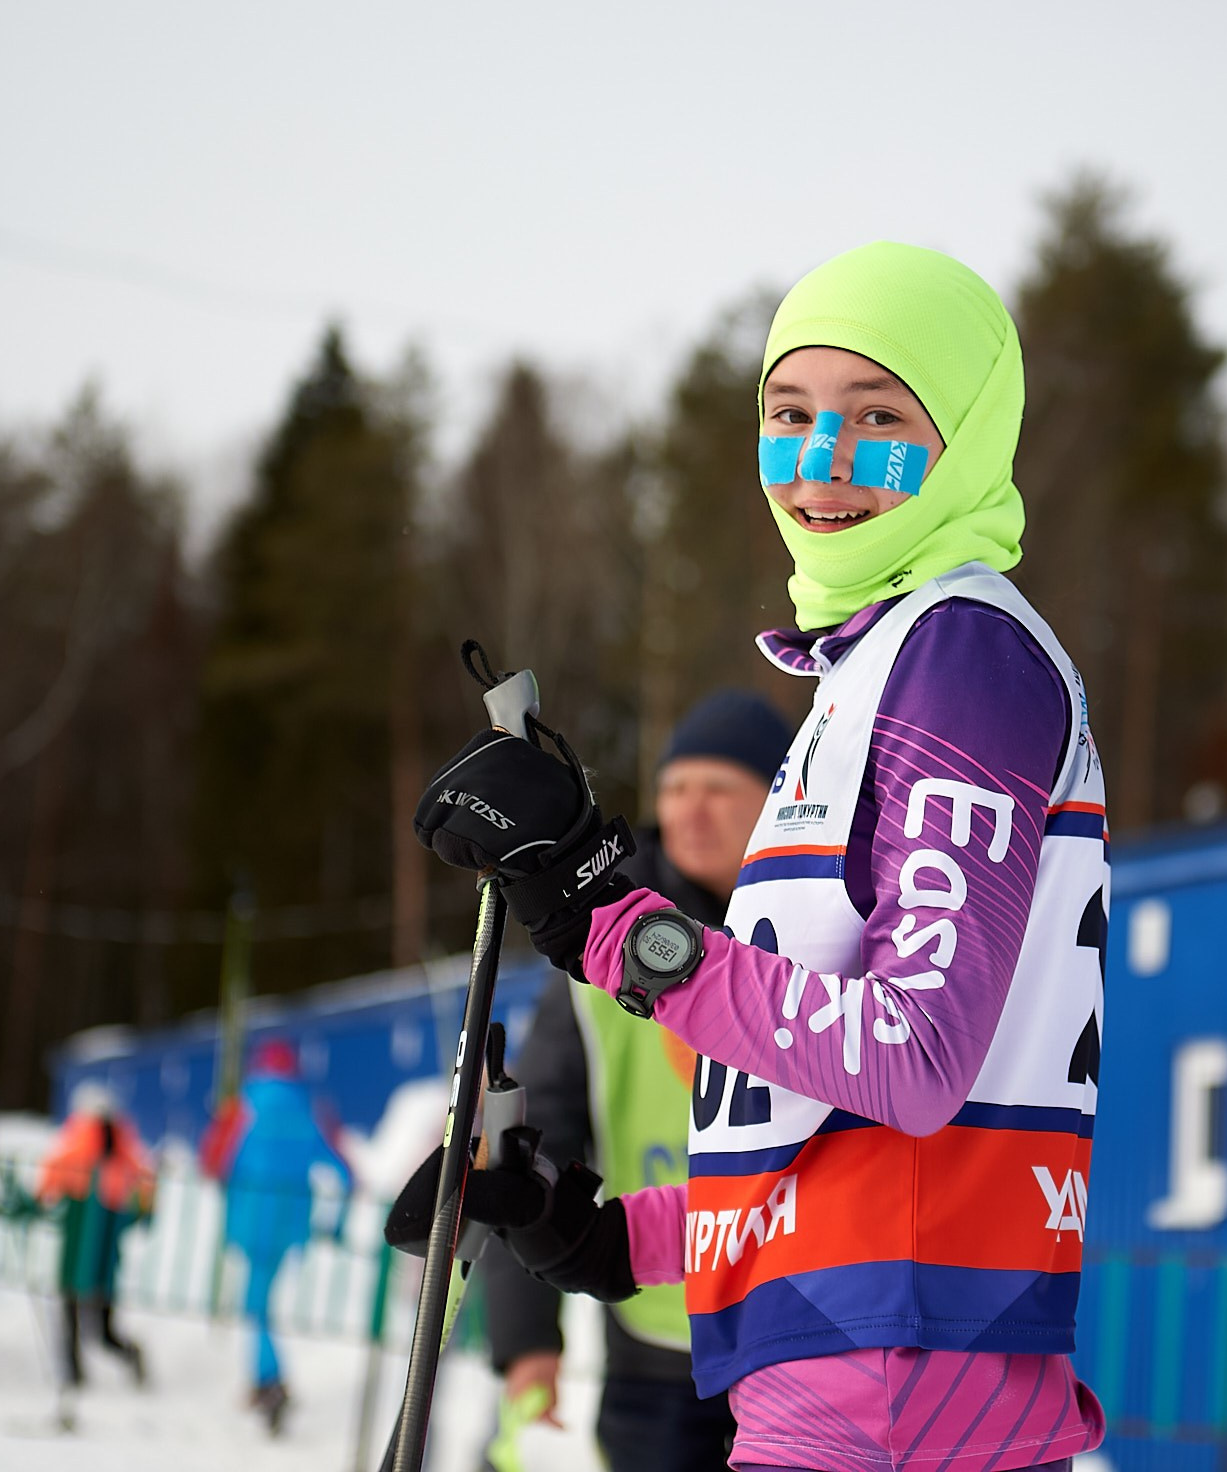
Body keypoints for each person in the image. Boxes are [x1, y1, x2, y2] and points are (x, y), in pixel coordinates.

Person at [412, 242, 1110, 1472]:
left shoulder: (958, 652)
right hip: (860, 1361)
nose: (823, 459)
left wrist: (617, 922)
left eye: (878, 417)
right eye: (789, 414)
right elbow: (843, 1149)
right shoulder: (881, 666)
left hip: (894, 1387)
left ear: (965, 435)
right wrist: (599, 1234)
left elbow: (913, 1057)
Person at [481, 688, 792, 1472]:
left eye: (719, 789)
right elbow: (537, 1137)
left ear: (781, 801)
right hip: (655, 1352)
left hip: (807, 1346)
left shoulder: (827, 936)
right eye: (674, 788)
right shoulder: (599, 941)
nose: (690, 810)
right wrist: (526, 1337)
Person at [202, 1038, 351, 1435]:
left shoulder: (243, 1105)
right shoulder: (309, 1108)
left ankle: (271, 1382)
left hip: (250, 1219)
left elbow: (212, 1161)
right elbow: (345, 1173)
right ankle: (263, 1382)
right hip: (290, 1225)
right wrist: (336, 1222)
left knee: (255, 1306)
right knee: (259, 1303)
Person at [36, 1083, 154, 1391]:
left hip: (80, 1238)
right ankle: (124, 1356)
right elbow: (145, 1178)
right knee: (101, 1316)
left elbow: (54, 1170)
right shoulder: (124, 1141)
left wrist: (43, 1195)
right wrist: (142, 1210)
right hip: (106, 1241)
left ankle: (73, 1373)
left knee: (71, 1304)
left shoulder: (80, 1137)